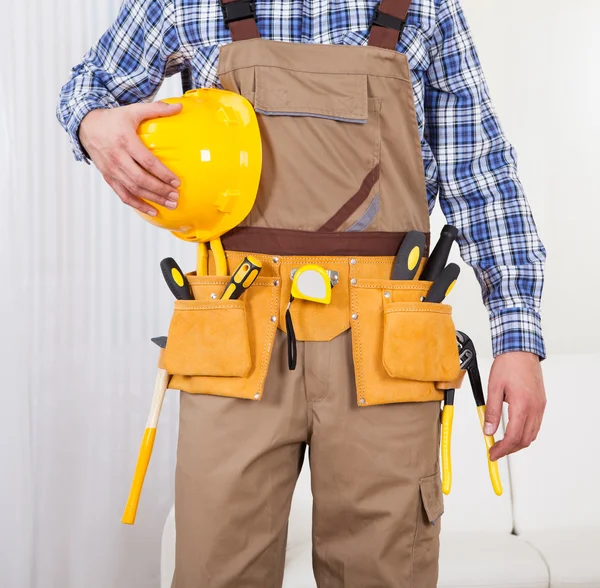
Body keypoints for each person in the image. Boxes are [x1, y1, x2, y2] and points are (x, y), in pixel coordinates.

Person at [57, 0, 547, 586]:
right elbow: (88, 86)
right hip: (235, 337)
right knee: (217, 568)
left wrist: (516, 336)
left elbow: (481, 173)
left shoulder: (426, 6)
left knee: (383, 571)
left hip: (386, 347)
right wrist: (92, 123)